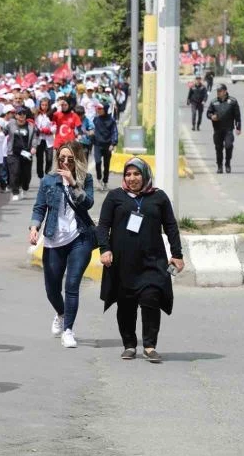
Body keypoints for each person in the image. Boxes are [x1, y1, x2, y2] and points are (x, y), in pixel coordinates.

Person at [97, 158, 184, 363]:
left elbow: (171, 226)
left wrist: (177, 254)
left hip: (153, 262)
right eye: (128, 174)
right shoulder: (114, 197)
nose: (132, 178)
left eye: (136, 174)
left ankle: (150, 346)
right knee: (126, 306)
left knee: (151, 299)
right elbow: (103, 226)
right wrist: (105, 249)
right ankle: (129, 344)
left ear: (145, 175)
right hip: (123, 264)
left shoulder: (159, 197)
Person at [29, 141, 95, 349]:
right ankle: (60, 313)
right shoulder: (48, 180)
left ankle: (68, 330)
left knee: (72, 285)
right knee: (51, 289)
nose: (65, 162)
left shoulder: (86, 179)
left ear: (77, 160)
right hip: (53, 238)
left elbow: (88, 203)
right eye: (62, 158)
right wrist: (34, 227)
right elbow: (39, 207)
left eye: (70, 159)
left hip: (80, 238)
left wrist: (73, 182)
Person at [206, 83, 241, 174]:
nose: (218, 93)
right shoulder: (214, 102)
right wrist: (211, 116)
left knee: (228, 146)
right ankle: (220, 166)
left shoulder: (233, 101)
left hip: (228, 129)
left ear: (225, 91)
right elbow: (208, 113)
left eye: (220, 91)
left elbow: (237, 115)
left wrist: (238, 127)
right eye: (217, 91)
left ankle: (227, 164)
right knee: (218, 148)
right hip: (217, 129)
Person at [6, 107, 35, 201]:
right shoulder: (11, 124)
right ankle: (15, 192)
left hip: (26, 153)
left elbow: (35, 137)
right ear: (16, 115)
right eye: (19, 114)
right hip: (13, 153)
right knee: (15, 172)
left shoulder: (30, 126)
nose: (21, 115)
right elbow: (3, 132)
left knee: (26, 174)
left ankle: (25, 189)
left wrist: (34, 147)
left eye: (23, 113)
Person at [92, 103, 117, 191]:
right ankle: (99, 179)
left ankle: (105, 181)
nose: (98, 110)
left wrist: (113, 144)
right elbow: (91, 128)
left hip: (107, 146)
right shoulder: (95, 119)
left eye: (100, 109)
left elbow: (114, 132)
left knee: (106, 165)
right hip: (97, 145)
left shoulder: (111, 120)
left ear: (105, 110)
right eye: (97, 109)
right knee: (98, 162)